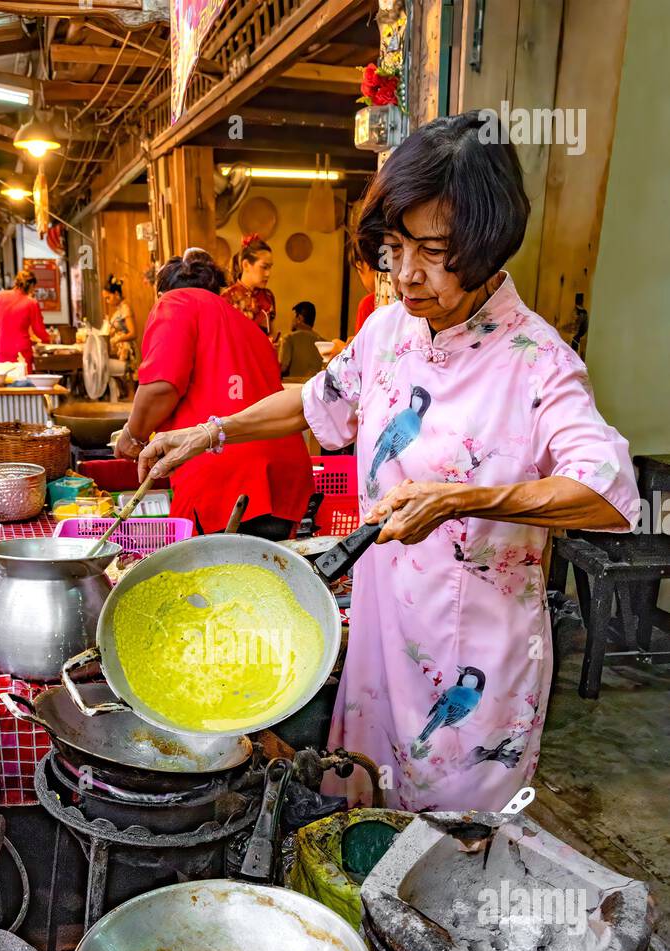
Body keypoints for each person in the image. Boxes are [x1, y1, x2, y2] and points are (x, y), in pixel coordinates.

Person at [136, 113, 640, 813]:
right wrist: (211, 432)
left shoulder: (538, 361)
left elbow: (608, 491)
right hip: (380, 637)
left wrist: (467, 499)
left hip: (472, 667)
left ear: (490, 244)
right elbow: (317, 401)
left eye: (434, 251)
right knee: (362, 810)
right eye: (395, 247)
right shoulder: (388, 329)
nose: (407, 275)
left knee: (445, 844)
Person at [115, 249, 313, 538]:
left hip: (224, 481)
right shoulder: (251, 328)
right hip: (282, 480)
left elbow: (161, 387)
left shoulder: (175, 303)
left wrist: (133, 435)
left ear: (161, 292)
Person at [0, 268, 47, 371]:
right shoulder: (31, 303)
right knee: (23, 383)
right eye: (33, 288)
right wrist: (48, 340)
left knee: (4, 380)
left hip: (3, 347)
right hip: (21, 350)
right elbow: (38, 329)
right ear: (30, 285)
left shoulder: (0, 296)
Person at [222, 235, 275, 336]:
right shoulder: (227, 298)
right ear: (245, 265)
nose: (268, 274)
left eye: (270, 268)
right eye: (264, 267)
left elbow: (271, 334)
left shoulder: (268, 296)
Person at [101, 275, 138, 382]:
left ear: (116, 294)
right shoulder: (119, 310)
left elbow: (133, 333)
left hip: (127, 352)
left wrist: (118, 339)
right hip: (119, 351)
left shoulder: (125, 309)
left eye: (108, 297)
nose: (107, 301)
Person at [278, 301, 325, 379]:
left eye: (292, 318)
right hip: (315, 388)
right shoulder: (324, 343)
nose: (291, 322)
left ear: (299, 318)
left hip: (293, 387)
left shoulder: (288, 339)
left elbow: (282, 368)